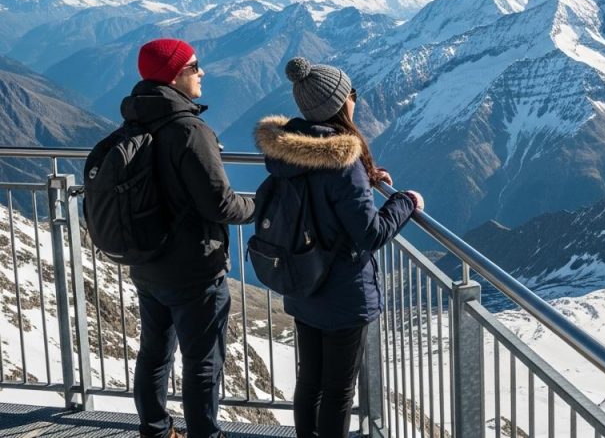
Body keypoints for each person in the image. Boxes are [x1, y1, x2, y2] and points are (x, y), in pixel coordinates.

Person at [254, 57, 422, 438]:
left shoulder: (286, 151)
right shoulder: (342, 161)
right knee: (339, 390)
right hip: (343, 294)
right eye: (353, 94)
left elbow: (317, 195)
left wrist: (367, 180)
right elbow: (370, 233)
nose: (356, 100)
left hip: (301, 281)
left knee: (310, 380)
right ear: (340, 103)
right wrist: (406, 201)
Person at [121, 38, 255, 438]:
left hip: (147, 262)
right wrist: (261, 204)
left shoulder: (136, 118)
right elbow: (222, 206)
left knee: (154, 355)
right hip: (194, 269)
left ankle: (156, 431)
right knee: (202, 362)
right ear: (176, 75)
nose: (202, 72)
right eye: (195, 66)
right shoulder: (189, 130)